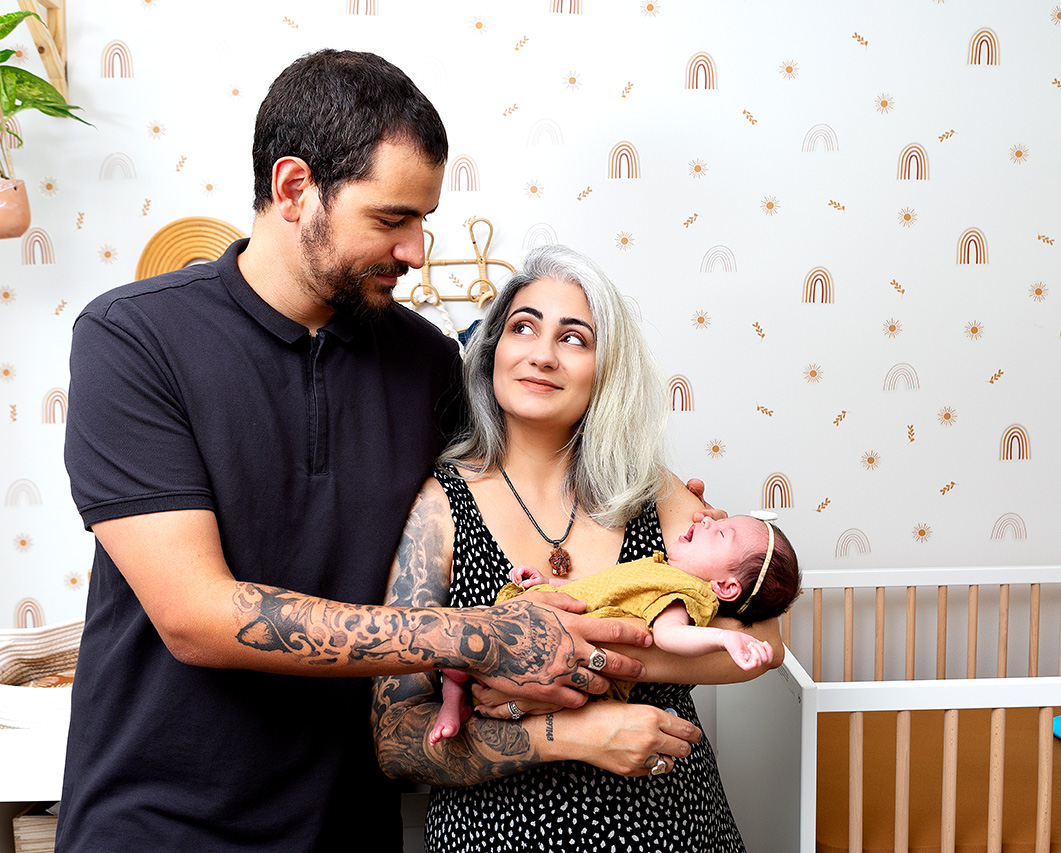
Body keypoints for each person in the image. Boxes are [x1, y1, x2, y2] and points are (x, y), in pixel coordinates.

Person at [57, 51, 653, 853]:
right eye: (391, 218)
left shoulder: (427, 363)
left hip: (348, 825)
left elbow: (545, 442)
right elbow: (196, 614)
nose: (415, 250)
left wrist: (692, 519)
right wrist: (477, 635)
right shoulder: (131, 338)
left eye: (424, 222)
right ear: (296, 188)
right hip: (157, 824)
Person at [372, 244, 786, 852]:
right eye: (523, 328)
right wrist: (578, 728)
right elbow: (397, 744)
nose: (542, 354)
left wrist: (581, 654)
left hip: (674, 828)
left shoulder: (652, 490)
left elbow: (767, 644)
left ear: (604, 369)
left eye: (574, 338)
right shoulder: (439, 508)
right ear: (492, 353)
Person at [428, 514, 801, 744]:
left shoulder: (684, 594)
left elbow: (669, 638)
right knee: (472, 626)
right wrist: (550, 584)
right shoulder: (659, 569)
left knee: (472, 641)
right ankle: (453, 700)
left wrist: (725, 638)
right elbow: (601, 588)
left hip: (565, 664)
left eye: (721, 533)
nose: (706, 520)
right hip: (537, 615)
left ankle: (455, 700)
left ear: (726, 588)